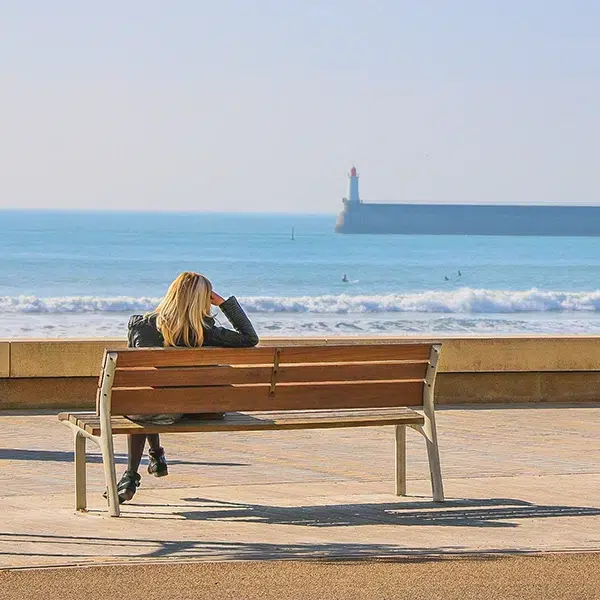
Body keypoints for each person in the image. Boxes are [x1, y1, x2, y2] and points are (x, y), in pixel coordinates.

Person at [110, 271, 259, 504]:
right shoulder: (206, 330)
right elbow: (250, 338)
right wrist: (223, 303)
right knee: (157, 401)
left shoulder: (140, 325)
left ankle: (132, 474)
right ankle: (155, 457)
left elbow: (141, 380)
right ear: (202, 300)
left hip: (146, 406)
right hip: (188, 407)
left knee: (146, 401)